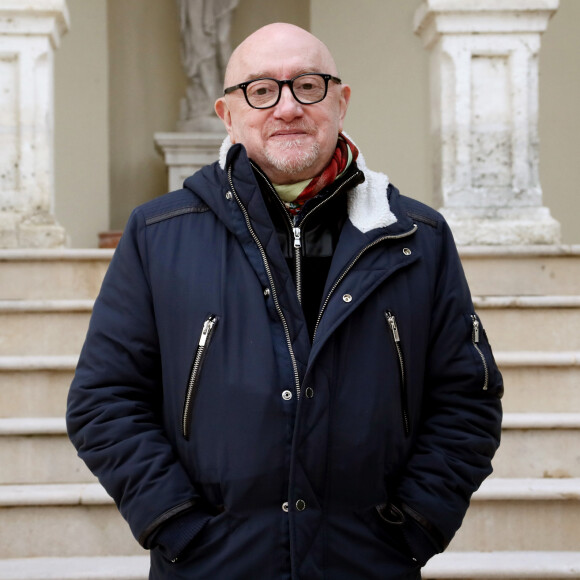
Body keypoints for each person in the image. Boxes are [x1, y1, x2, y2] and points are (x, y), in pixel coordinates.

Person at [67, 22, 503, 580]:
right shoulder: (158, 235)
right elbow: (103, 399)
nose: (288, 107)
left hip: (365, 564)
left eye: (308, 85)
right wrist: (176, 523)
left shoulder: (418, 237)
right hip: (213, 565)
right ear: (228, 114)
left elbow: (467, 398)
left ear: (341, 102)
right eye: (261, 90)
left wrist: (414, 525)